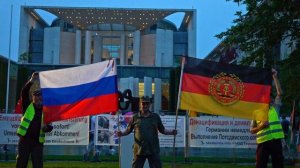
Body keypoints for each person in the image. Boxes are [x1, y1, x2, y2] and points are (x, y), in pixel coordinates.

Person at [117, 96, 177, 168]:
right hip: (139, 149)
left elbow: (162, 130)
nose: (145, 105)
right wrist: (121, 134)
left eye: (147, 104)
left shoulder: (155, 117)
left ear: (150, 105)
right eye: (143, 103)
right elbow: (128, 130)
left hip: (153, 149)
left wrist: (171, 132)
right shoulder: (135, 117)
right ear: (140, 104)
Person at [16, 72, 53, 168]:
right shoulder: (27, 106)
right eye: (36, 96)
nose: (39, 98)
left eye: (40, 96)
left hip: (37, 143)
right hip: (24, 140)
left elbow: (50, 126)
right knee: (21, 163)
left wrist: (46, 128)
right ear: (33, 98)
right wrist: (31, 81)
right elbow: (24, 93)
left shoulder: (47, 110)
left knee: (38, 165)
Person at [250, 69, 285, 168]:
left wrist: (275, 77)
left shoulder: (275, 108)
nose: (268, 98)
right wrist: (261, 126)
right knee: (260, 165)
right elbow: (252, 130)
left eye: (269, 97)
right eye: (265, 97)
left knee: (278, 165)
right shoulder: (255, 112)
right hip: (263, 143)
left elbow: (280, 94)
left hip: (276, 141)